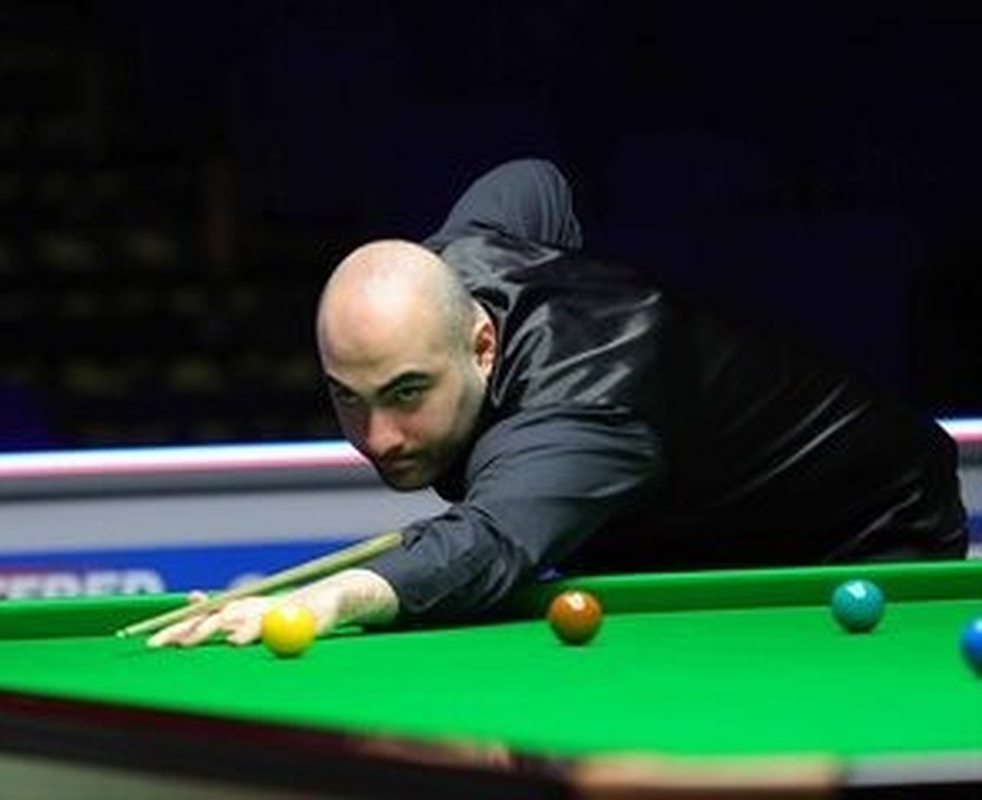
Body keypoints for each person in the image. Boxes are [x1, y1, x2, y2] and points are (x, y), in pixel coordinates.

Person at [149, 158, 967, 648]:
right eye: (348, 399)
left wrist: (329, 597)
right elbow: (531, 179)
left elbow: (485, 545)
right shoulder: (471, 256)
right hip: (685, 524)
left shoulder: (582, 413)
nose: (379, 436)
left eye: (406, 393)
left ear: (482, 345)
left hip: (859, 534)